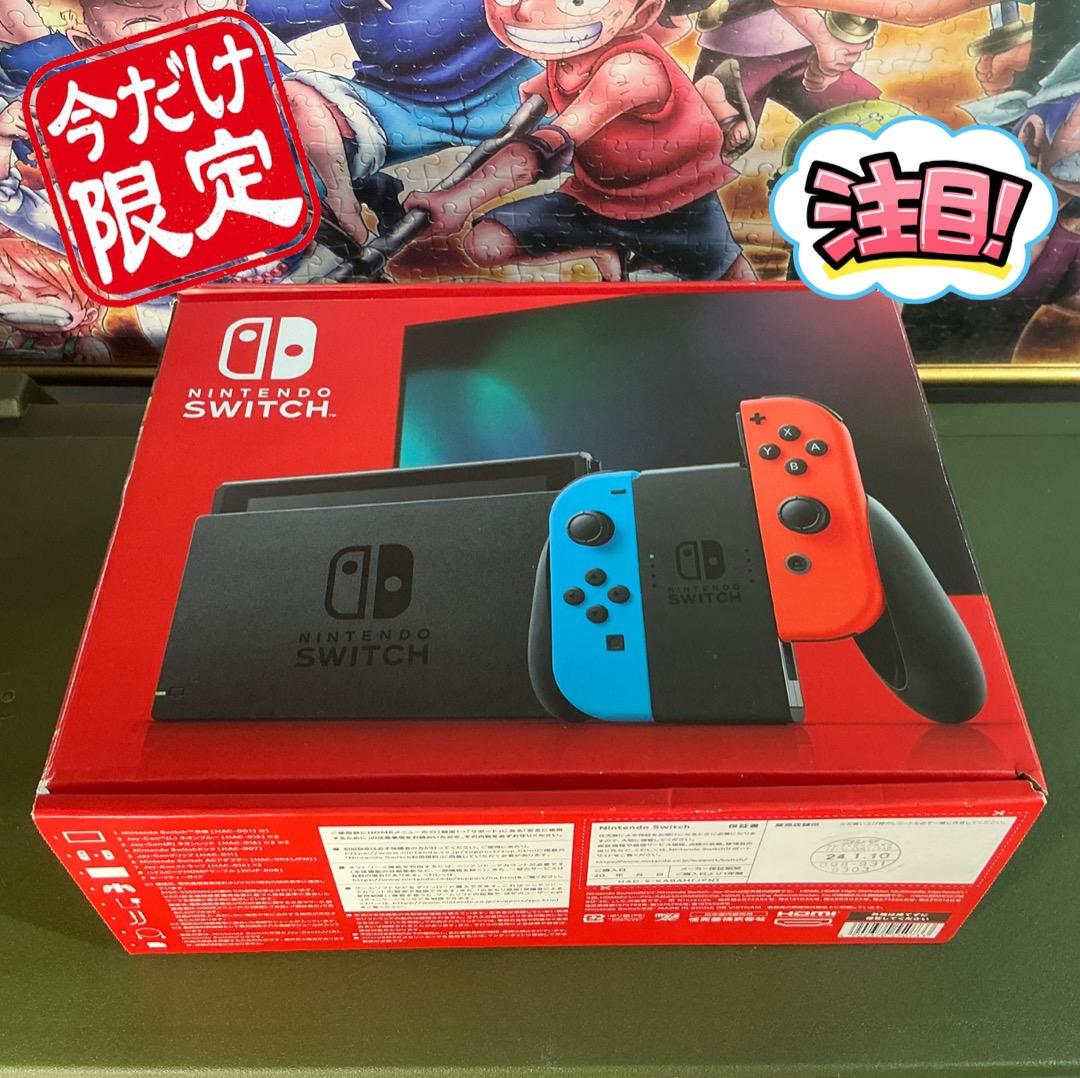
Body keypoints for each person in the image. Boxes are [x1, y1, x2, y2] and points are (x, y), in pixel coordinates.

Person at [404, 0, 753, 282]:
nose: (526, 11)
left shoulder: (630, 69)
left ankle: (717, 98)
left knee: (736, 282)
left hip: (677, 206)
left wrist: (458, 201)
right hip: (594, 201)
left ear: (641, 14)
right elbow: (521, 127)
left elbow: (548, 147)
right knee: (486, 243)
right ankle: (604, 248)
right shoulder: (564, 61)